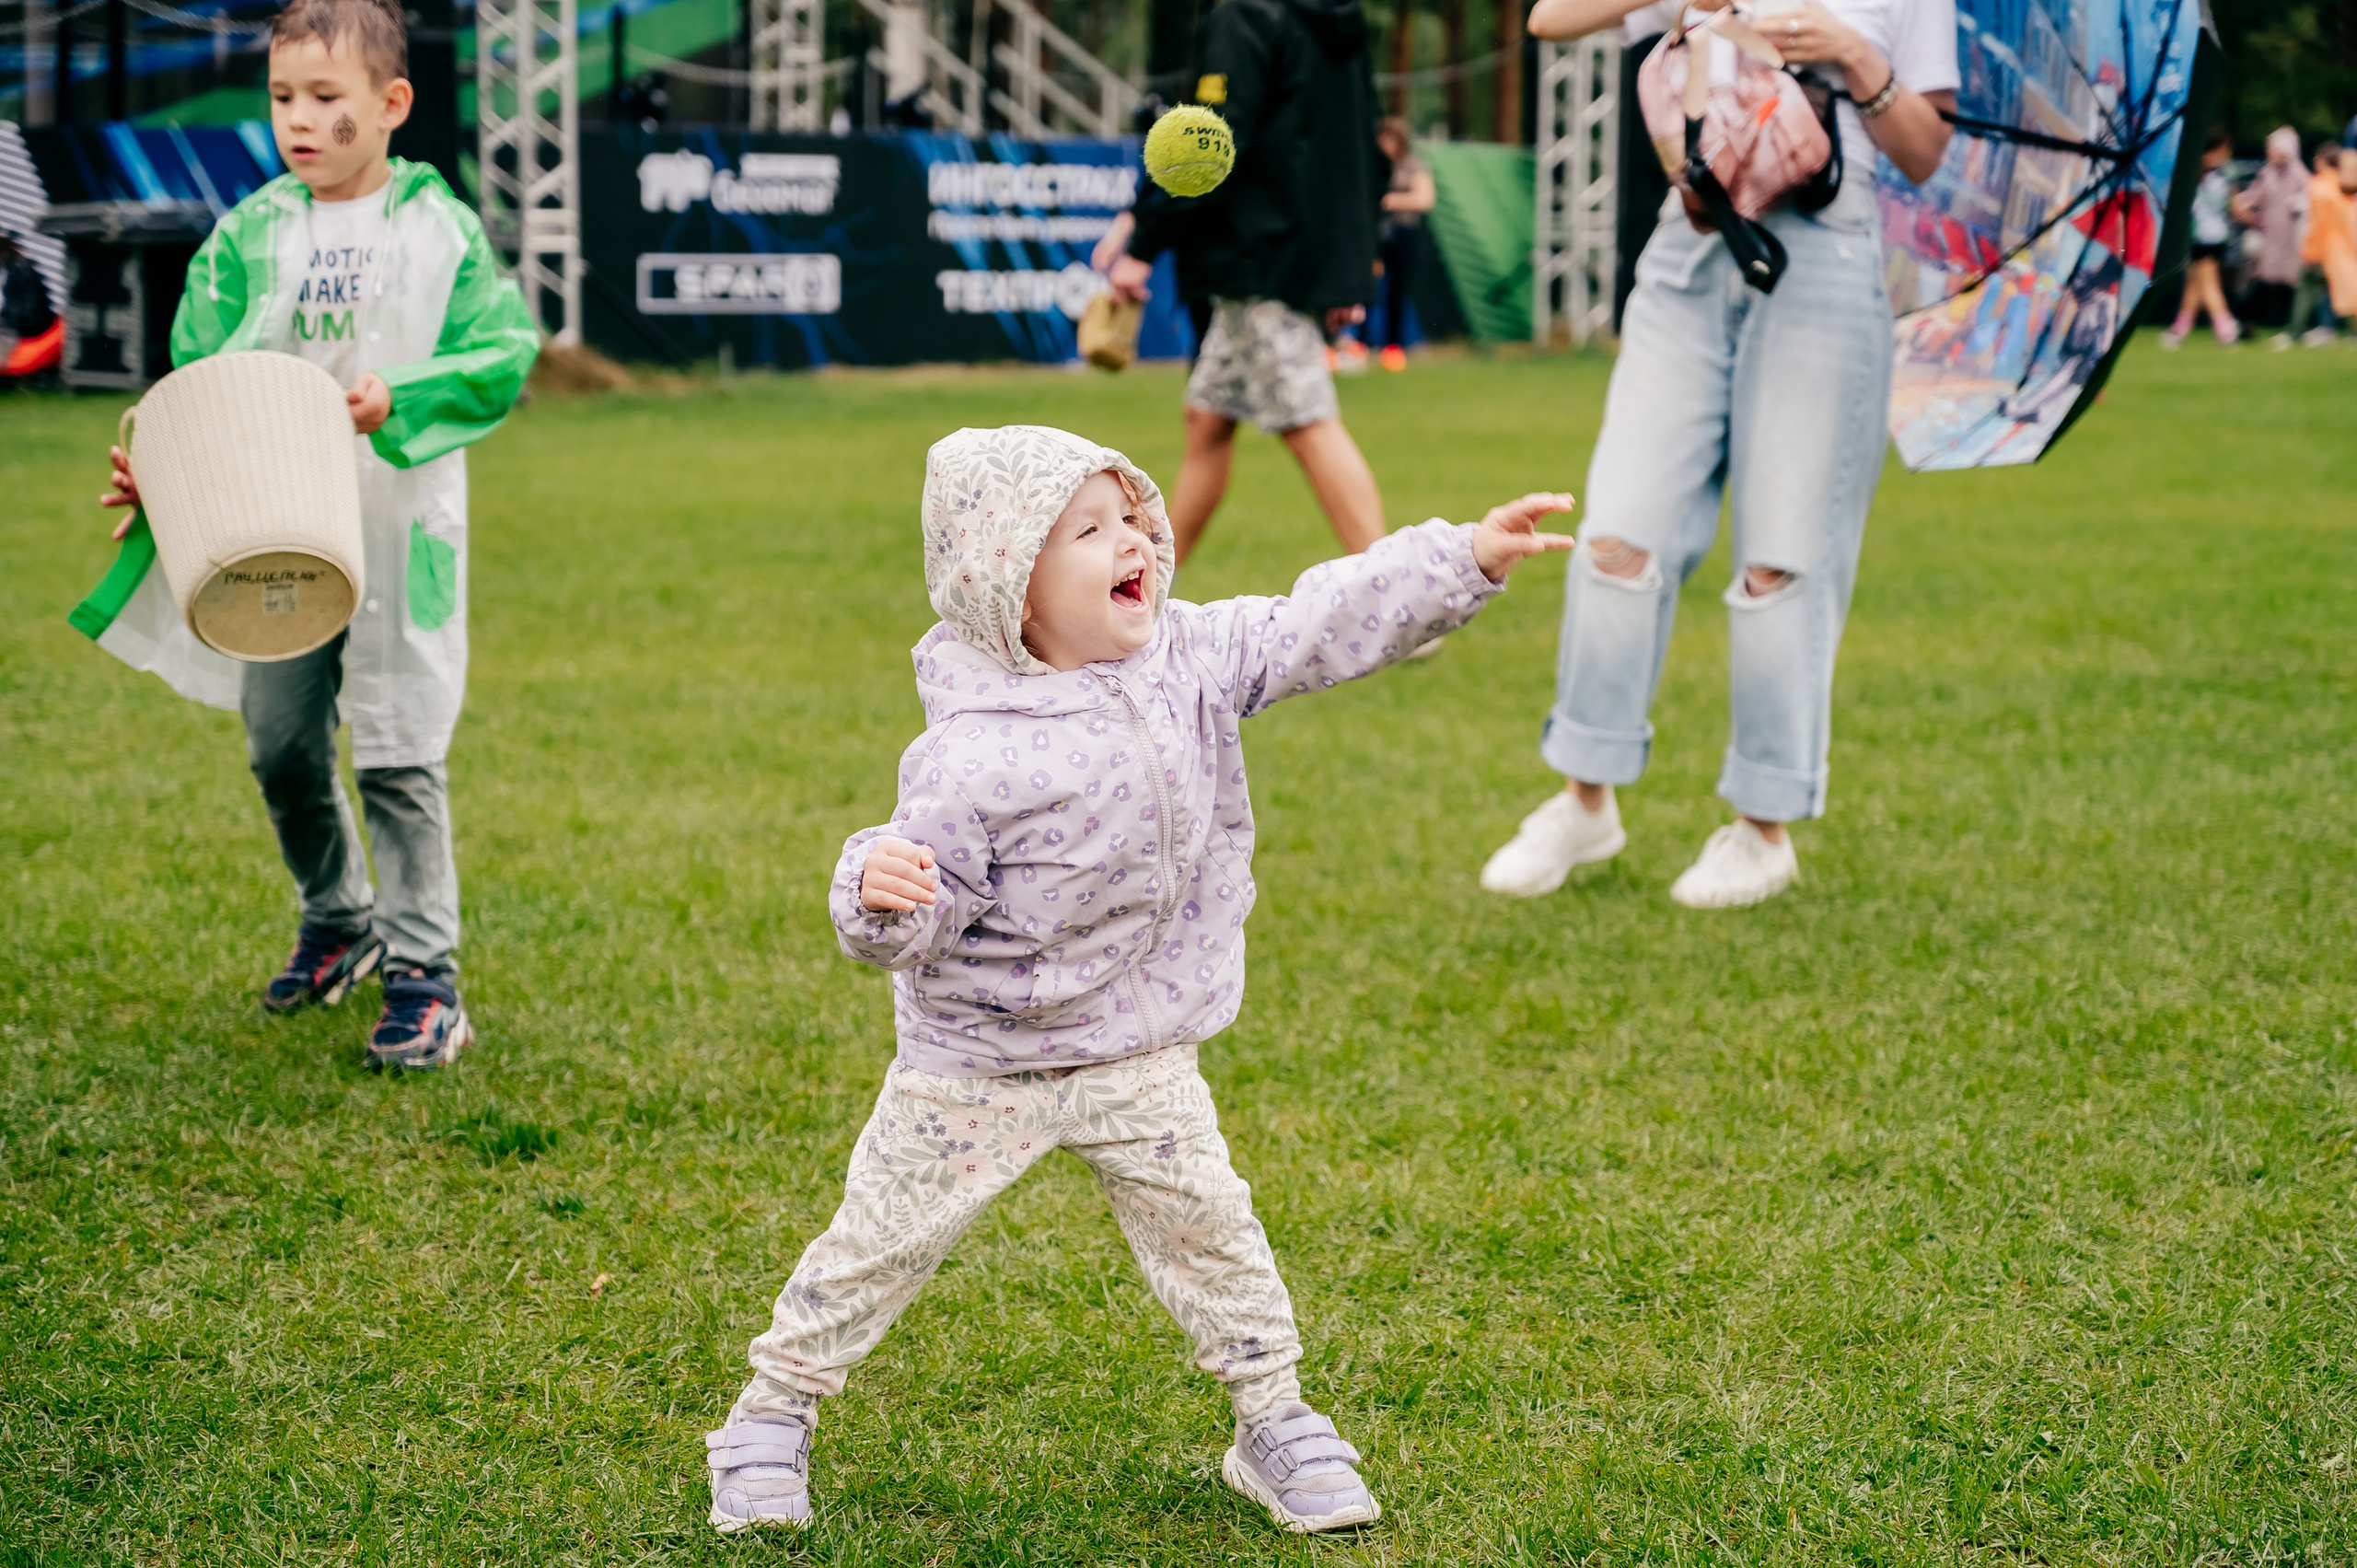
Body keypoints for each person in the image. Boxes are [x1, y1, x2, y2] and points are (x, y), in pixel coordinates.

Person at [702, 424, 1574, 1535]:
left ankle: (1272, 1415)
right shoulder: (965, 754)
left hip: (1137, 1042)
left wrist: (1461, 559)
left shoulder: (1190, 658)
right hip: (980, 1062)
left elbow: (1313, 620)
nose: (1136, 543)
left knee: (1214, 1233)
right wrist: (876, 894)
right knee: (878, 1242)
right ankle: (771, 1413)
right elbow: (905, 933)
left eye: (1133, 518)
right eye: (1090, 529)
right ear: (1010, 583)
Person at [77, 0, 538, 1066]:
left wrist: (402, 393)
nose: (299, 118)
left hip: (397, 527)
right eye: (284, 96)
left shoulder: (438, 231)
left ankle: (428, 977)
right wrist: (158, 467)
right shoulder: (248, 234)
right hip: (272, 533)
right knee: (281, 744)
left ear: (391, 104)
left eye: (326, 97)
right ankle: (339, 919)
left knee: (399, 752)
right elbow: (198, 374)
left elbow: (501, 350)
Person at [1481, 0, 1958, 911]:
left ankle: (1762, 828)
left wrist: (1853, 53)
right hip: (1693, 236)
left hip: (1827, 247)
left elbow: (1925, 149)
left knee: (1783, 559)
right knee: (1615, 533)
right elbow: (1549, 18)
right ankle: (1586, 798)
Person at [1089, 0, 1388, 566]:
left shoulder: (1246, 14)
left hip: (1257, 259)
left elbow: (1209, 144)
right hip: (1292, 254)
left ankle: (1402, 596)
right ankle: (1149, 582)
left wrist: (1144, 243)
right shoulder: (1334, 19)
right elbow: (1361, 148)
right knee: (1207, 422)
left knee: (1308, 421)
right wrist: (1349, 263)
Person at [2163, 127, 2239, 348]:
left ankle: (2226, 330)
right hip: (2204, 235)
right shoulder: (2202, 173)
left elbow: (2232, 208)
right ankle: (2179, 330)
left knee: (2207, 284)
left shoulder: (2217, 174)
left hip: (2206, 236)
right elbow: (2233, 208)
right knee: (2194, 285)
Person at [2234, 126, 2310, 343]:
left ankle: (2295, 328)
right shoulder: (2267, 173)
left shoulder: (2299, 175)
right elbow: (2252, 197)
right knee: (2262, 284)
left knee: (2288, 286)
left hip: (2292, 241)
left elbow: (2310, 200)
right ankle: (2249, 325)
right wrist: (2241, 204)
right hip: (2270, 241)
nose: (2269, 153)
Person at [1372, 116, 1434, 370]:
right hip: (1376, 235)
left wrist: (1389, 200)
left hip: (1403, 234)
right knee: (1369, 290)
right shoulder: (1373, 167)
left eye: (1390, 139)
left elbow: (1425, 199)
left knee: (1398, 292)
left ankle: (1393, 348)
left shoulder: (1413, 165)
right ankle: (1352, 346)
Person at [2293, 145, 2357, 346]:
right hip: (2344, 248)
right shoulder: (2344, 186)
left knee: (2307, 288)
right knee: (2346, 291)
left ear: (2322, 161)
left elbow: (2316, 221)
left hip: (2322, 247)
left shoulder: (2319, 185)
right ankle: (2351, 332)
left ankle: (2295, 332)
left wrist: (2310, 247)